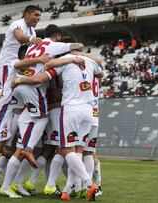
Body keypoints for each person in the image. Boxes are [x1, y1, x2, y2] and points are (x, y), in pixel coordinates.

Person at [0, 24, 84, 198]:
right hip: (33, 88)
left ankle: (12, 180)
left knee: (24, 143)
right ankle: (27, 153)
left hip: (22, 90)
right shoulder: (53, 47)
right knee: (43, 122)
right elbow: (78, 46)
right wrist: (73, 56)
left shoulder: (34, 44)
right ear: (57, 36)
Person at [0, 5, 44, 199]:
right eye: (35, 15)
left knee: (6, 140)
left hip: (14, 76)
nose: (37, 18)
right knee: (7, 94)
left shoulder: (33, 30)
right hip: (6, 65)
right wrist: (34, 44)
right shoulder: (18, 25)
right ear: (27, 14)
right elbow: (21, 38)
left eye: (39, 16)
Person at [11, 50, 103, 201]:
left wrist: (19, 80)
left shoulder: (63, 63)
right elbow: (101, 74)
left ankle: (87, 184)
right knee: (80, 150)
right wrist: (80, 58)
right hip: (90, 110)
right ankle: (71, 188)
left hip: (70, 109)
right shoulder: (90, 62)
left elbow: (42, 73)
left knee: (64, 151)